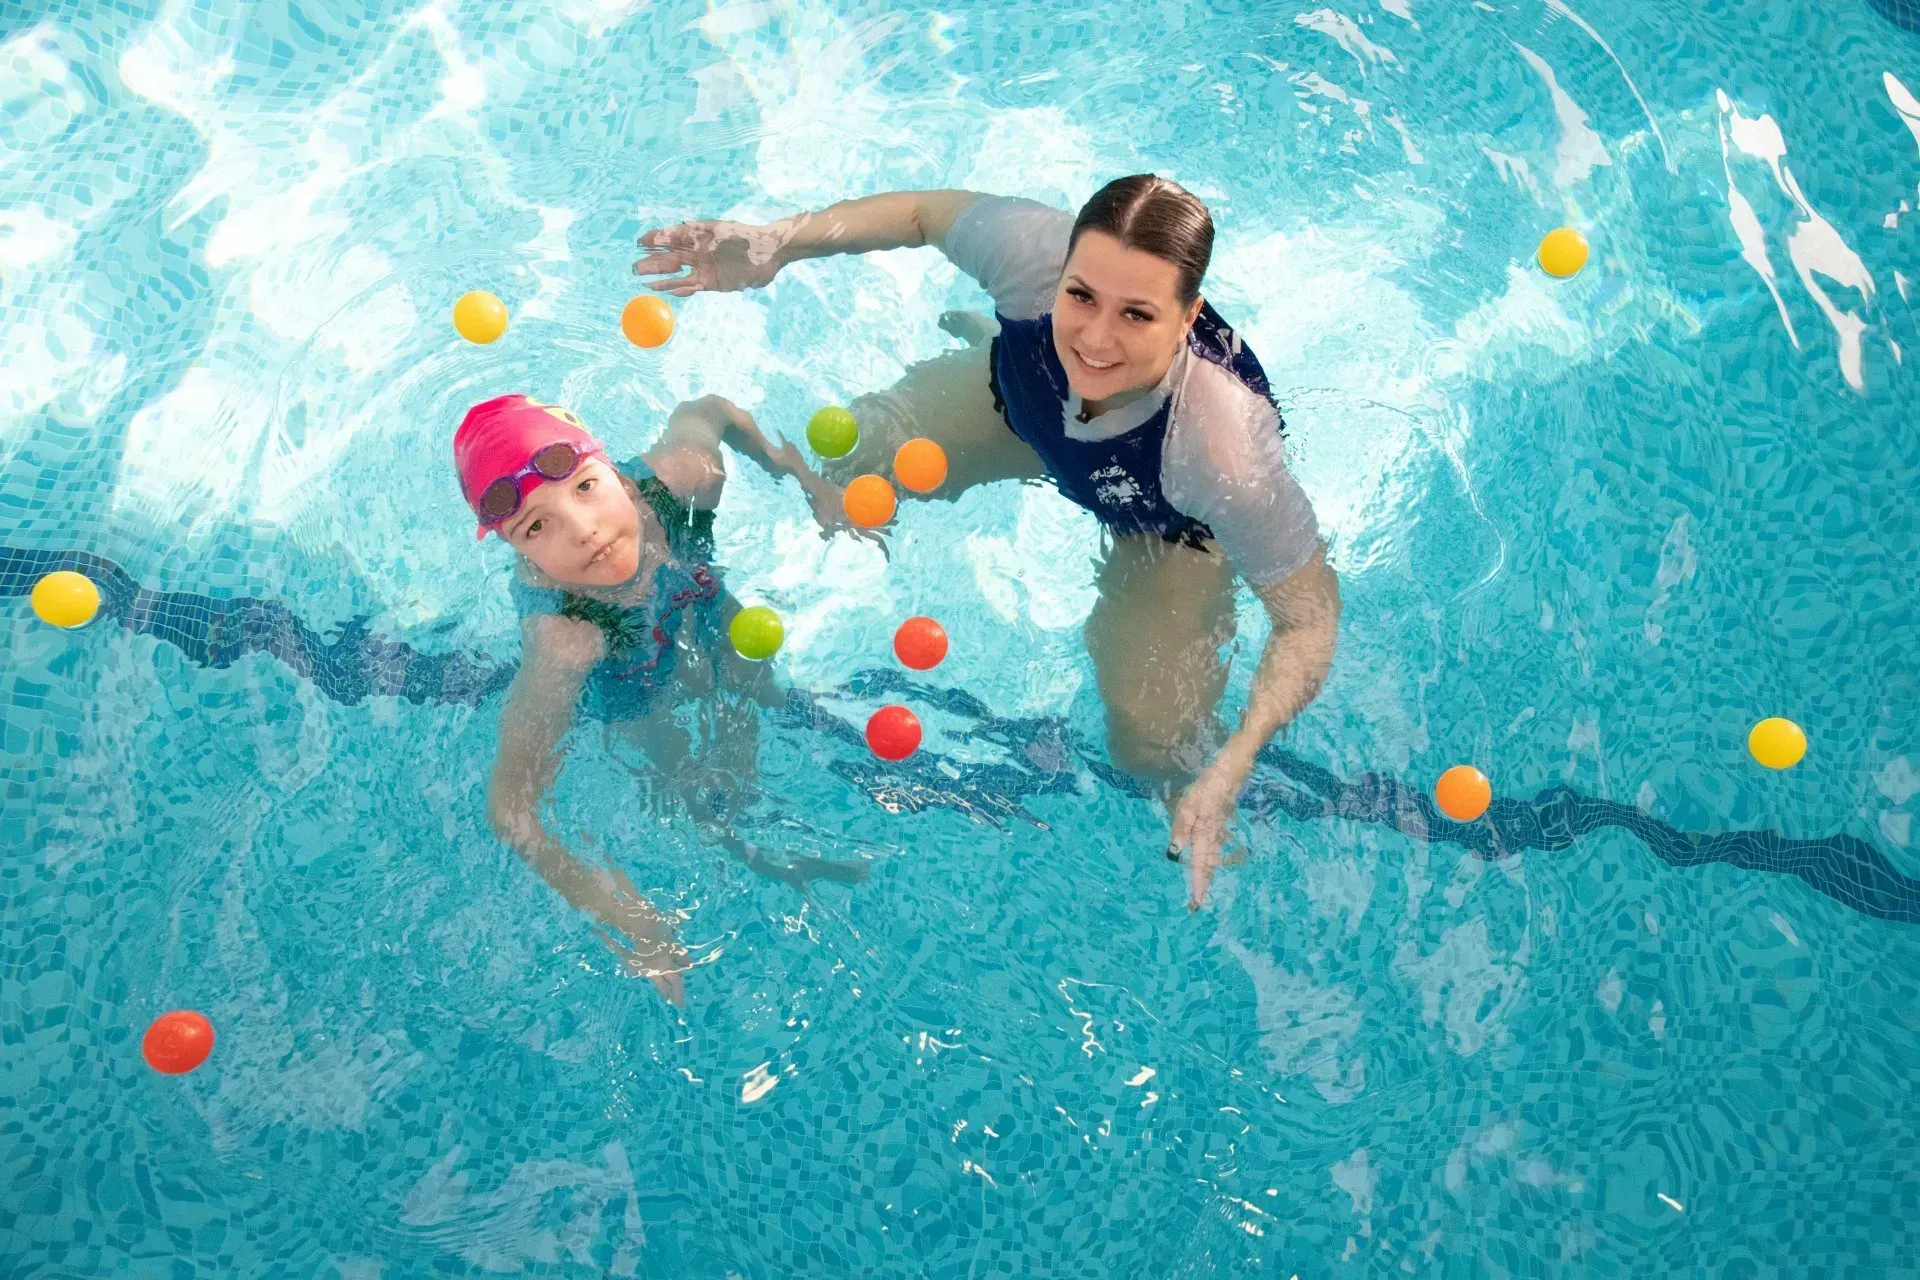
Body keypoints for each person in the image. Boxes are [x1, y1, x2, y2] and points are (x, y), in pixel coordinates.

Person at [633, 176, 1341, 909]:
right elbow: (920, 214)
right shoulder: (1031, 251)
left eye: (1138, 314)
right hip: (1018, 410)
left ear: (1189, 316)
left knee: (1149, 747)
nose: (1096, 338)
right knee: (846, 472)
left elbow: (1309, 617)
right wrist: (779, 242)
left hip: (1161, 524)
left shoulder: (1224, 453)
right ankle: (994, 346)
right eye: (1080, 297)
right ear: (1060, 270)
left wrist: (1232, 763)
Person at [455, 392, 867, 1005]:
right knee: (701, 803)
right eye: (536, 527)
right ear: (520, 551)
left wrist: (808, 481)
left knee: (764, 696)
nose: (583, 529)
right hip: (632, 688)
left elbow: (714, 409)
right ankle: (764, 859)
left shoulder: (686, 478)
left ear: (614, 471)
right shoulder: (567, 639)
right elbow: (511, 809)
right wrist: (621, 912)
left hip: (707, 614)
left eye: (587, 487)